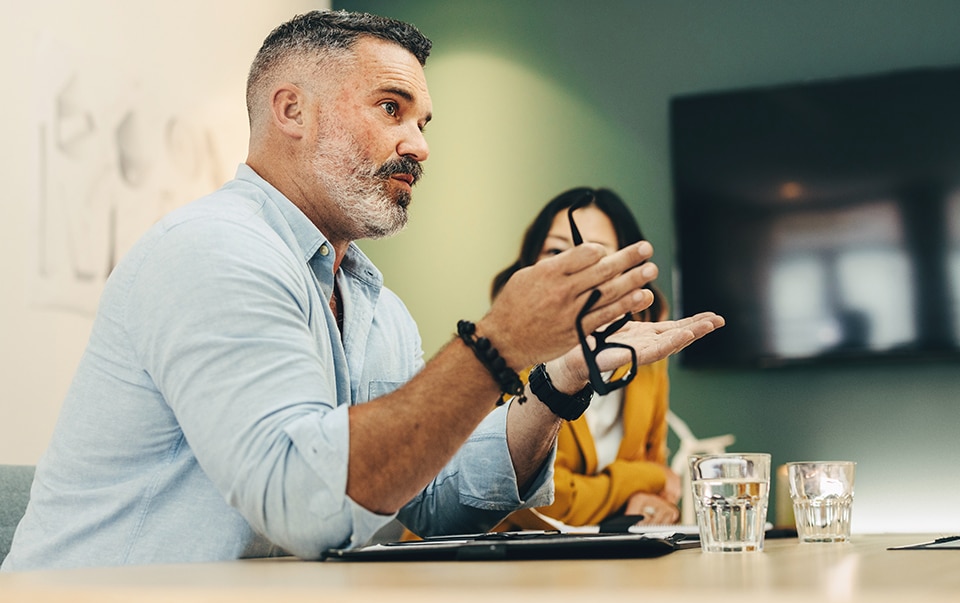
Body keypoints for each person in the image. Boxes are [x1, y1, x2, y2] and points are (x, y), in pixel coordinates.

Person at [1, 11, 723, 571]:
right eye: (390, 108)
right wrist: (498, 343)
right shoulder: (213, 250)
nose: (420, 145)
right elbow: (303, 505)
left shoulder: (376, 305)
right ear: (291, 110)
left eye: (422, 122)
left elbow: (434, 498)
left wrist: (558, 382)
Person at [490, 187, 682, 530]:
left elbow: (657, 492)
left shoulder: (647, 363)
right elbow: (541, 501)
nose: (573, 267)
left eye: (596, 253)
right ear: (530, 265)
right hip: (476, 557)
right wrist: (645, 478)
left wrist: (652, 498)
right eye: (555, 250)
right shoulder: (503, 354)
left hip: (599, 557)